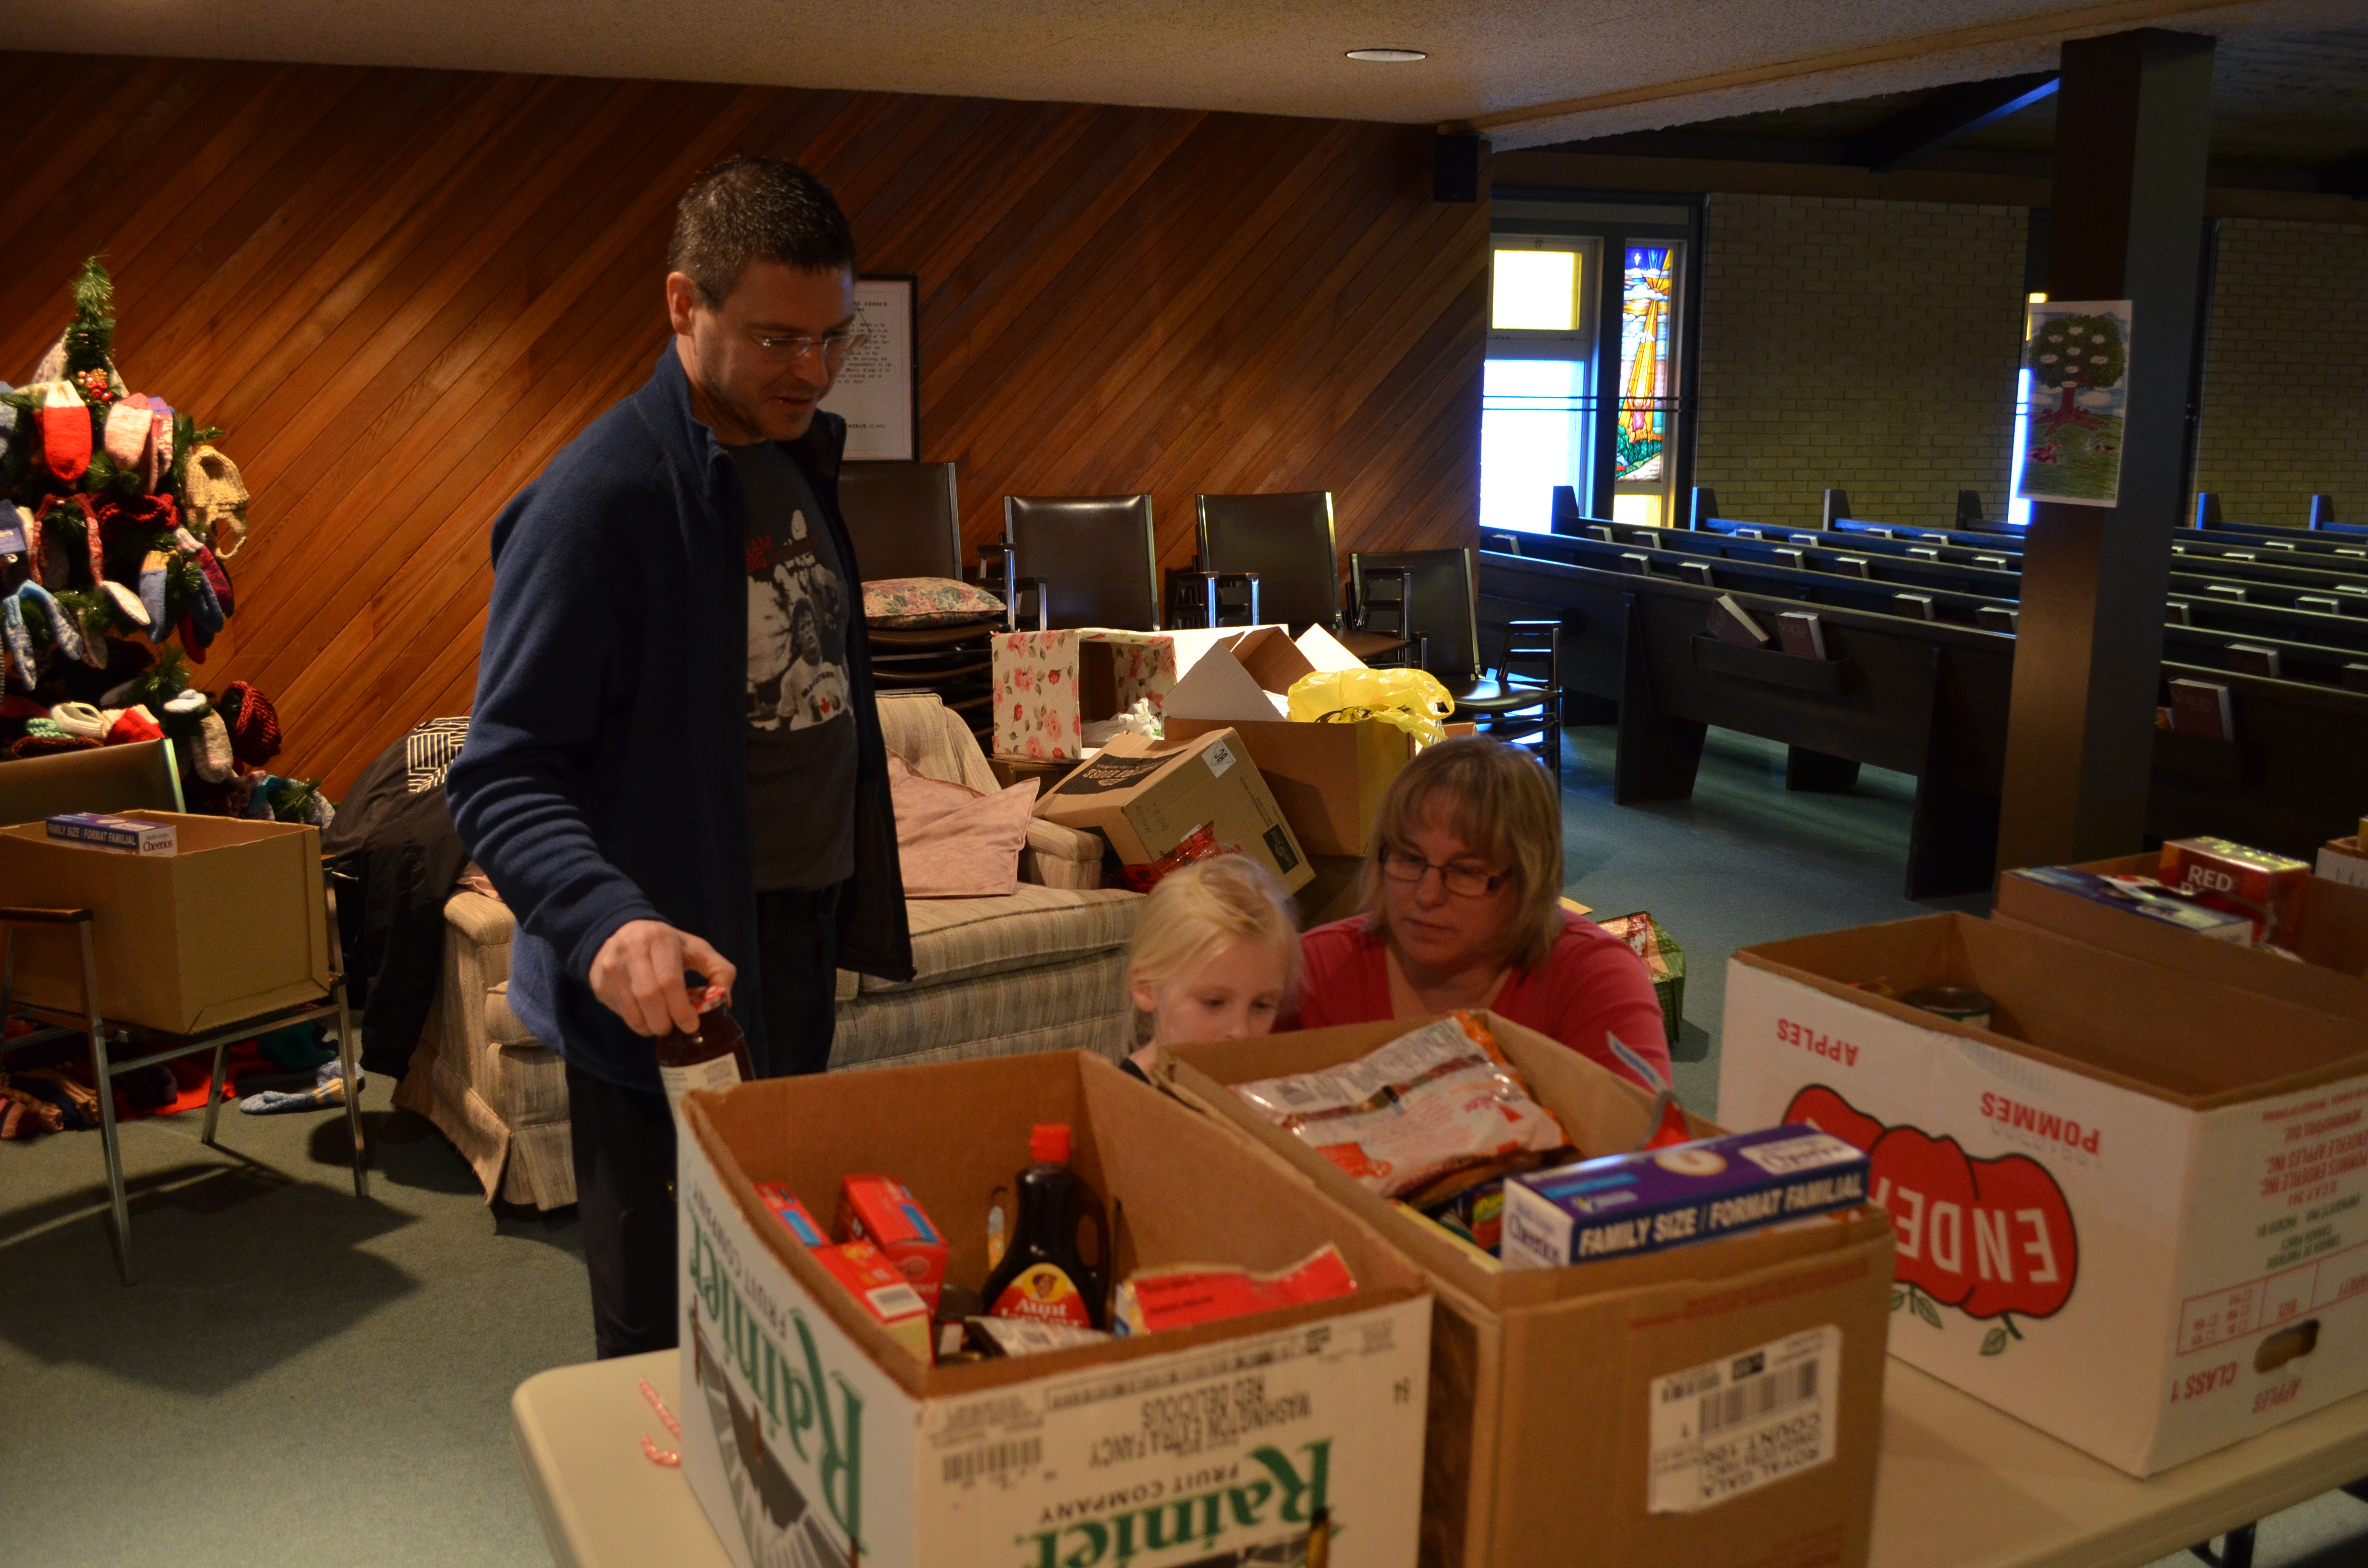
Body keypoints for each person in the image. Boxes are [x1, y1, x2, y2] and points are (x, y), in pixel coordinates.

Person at [446, 157, 912, 1360]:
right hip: (669, 978)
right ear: (680, 306)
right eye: (773, 339)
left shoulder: (791, 457)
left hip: (792, 936)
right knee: (669, 1329)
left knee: (777, 1283)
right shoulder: (600, 501)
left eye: (832, 338)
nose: (808, 369)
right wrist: (606, 921)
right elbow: (500, 769)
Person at [1285, 737, 1672, 1089]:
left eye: (1466, 871)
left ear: (1528, 879)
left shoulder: (1594, 978)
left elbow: (1644, 1150)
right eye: (1410, 858)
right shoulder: (1314, 969)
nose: (1427, 894)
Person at [1124, 855, 1303, 1054]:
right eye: (1214, 1002)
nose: (1241, 1032)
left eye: (1261, 1006)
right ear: (1146, 986)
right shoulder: (1113, 1086)